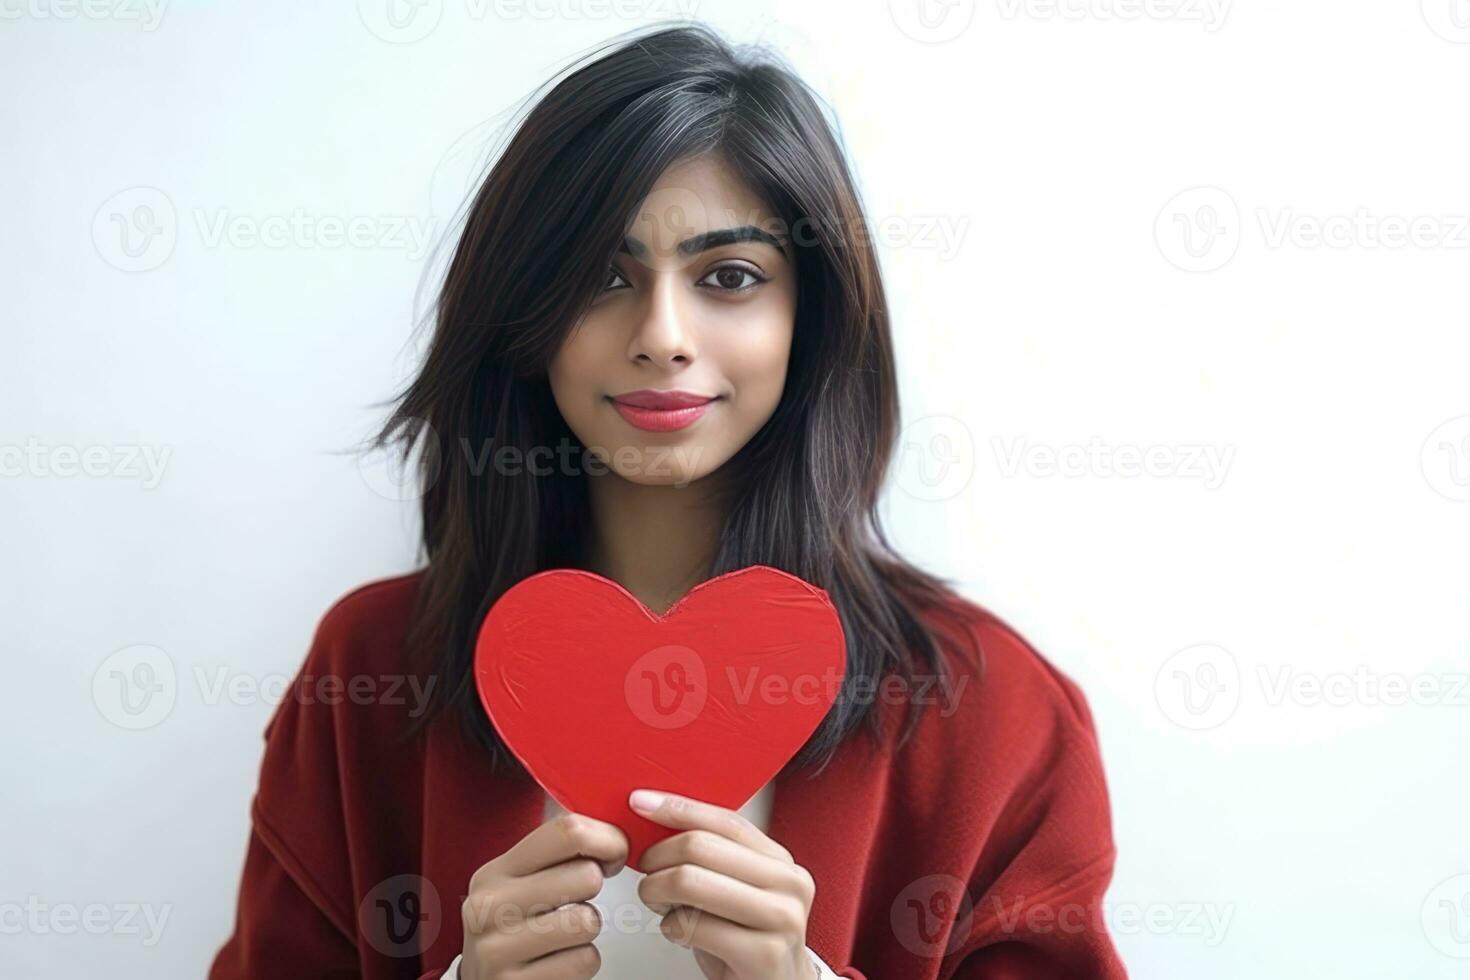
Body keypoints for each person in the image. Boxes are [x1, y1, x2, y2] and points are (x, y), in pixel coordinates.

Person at [209, 23, 1127, 980]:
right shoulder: (365, 676)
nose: (663, 335)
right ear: (523, 314)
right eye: (604, 276)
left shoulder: (996, 713)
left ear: (809, 319)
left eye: (729, 277)